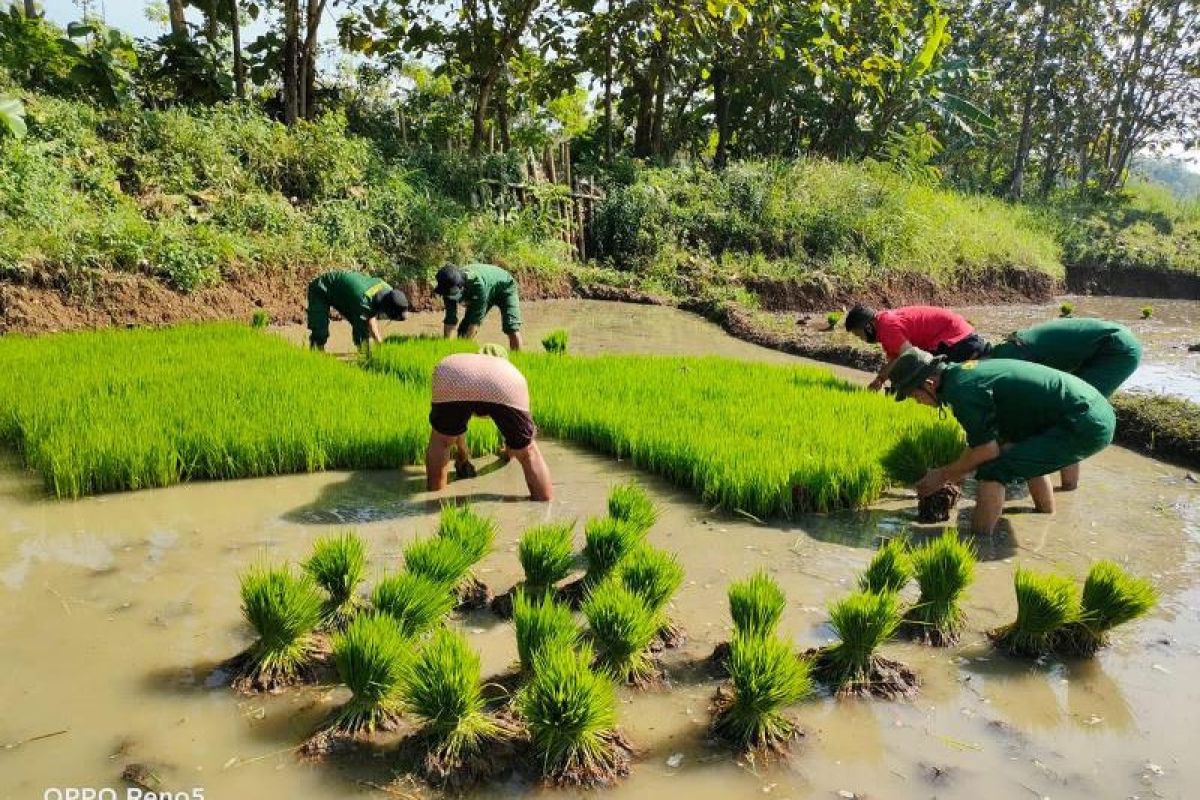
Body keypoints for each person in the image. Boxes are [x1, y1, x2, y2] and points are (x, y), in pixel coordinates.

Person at [889, 347, 1115, 536]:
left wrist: (943, 474)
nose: (916, 401)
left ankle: (977, 542)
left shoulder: (961, 391)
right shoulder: (965, 373)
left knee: (993, 471)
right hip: (1094, 409)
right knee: (1021, 450)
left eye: (912, 394)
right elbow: (993, 442)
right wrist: (956, 471)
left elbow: (986, 450)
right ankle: (1045, 518)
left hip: (1084, 423)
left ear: (928, 383)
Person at [986, 317, 1142, 489]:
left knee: (1076, 409)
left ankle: (1069, 484)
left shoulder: (1004, 360)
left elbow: (1020, 411)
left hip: (1116, 349)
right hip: (1110, 341)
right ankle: (1068, 484)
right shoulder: (1007, 352)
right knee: (1066, 410)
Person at [426, 345, 552, 501]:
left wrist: (463, 456)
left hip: (452, 372)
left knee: (442, 441)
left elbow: (456, 430)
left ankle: (434, 498)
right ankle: (544, 504)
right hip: (505, 383)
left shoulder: (469, 365)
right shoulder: (508, 371)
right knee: (528, 453)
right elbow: (515, 437)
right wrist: (511, 452)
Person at [845, 304, 991, 392]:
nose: (861, 339)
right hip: (954, 336)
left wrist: (883, 379)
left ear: (868, 327)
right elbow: (899, 357)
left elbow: (909, 357)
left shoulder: (887, 328)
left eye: (859, 334)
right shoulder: (884, 322)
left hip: (956, 339)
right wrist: (880, 379)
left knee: (942, 382)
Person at [306, 270, 408, 351]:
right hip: (321, 288)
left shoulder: (387, 290)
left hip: (345, 290)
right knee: (320, 331)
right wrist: (366, 357)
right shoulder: (363, 302)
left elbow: (370, 316)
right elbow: (360, 334)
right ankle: (316, 354)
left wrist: (379, 344)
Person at [434, 263, 524, 351]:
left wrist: (464, 349)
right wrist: (446, 347)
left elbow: (474, 322)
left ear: (460, 286)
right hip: (487, 288)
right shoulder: (447, 288)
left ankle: (518, 358)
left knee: (511, 327)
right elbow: (450, 318)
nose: (450, 295)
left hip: (505, 287)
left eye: (452, 292)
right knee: (463, 331)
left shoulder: (477, 285)